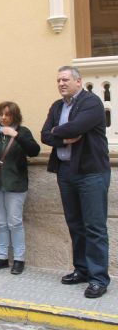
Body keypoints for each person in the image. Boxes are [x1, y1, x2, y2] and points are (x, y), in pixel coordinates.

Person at [41, 66, 111, 299]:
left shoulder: (91, 103)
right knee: (75, 224)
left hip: (91, 173)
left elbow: (77, 127)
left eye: (66, 79)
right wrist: (61, 136)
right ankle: (81, 269)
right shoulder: (57, 106)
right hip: (66, 172)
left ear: (79, 82)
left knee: (94, 227)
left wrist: (56, 133)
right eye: (58, 79)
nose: (61, 83)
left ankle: (99, 278)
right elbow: (44, 135)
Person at [0, 102, 40, 275]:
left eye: (7, 114)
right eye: (1, 114)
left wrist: (16, 135)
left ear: (15, 116)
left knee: (14, 222)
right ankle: (1, 258)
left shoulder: (23, 132)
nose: (3, 118)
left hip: (16, 184)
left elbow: (34, 151)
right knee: (0, 222)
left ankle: (19, 259)